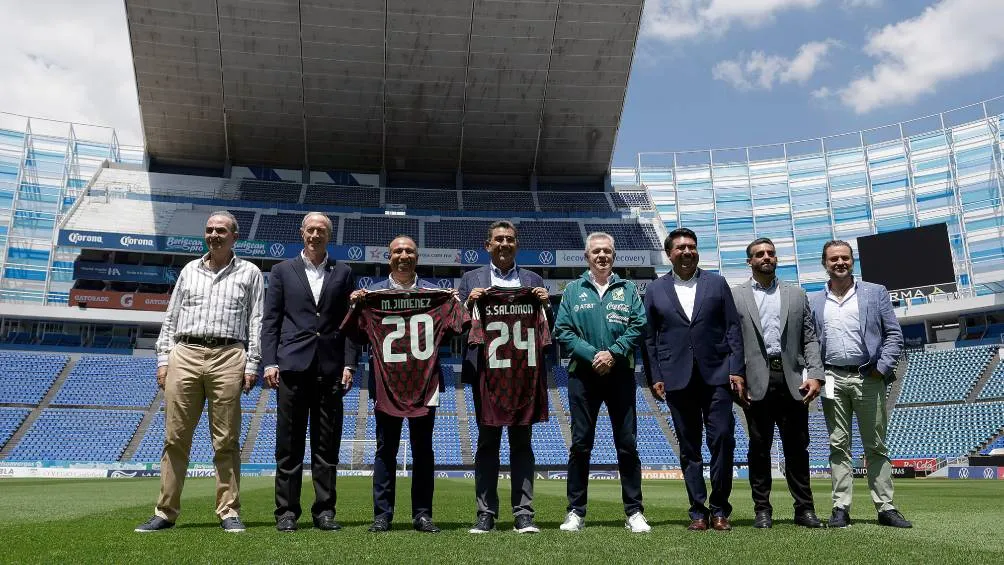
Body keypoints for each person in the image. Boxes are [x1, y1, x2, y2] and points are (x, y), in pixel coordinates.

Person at [135, 211, 264, 533]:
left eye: (221, 230)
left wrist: (252, 363)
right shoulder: (189, 270)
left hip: (229, 353)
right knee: (175, 438)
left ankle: (228, 510)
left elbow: (256, 320)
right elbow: (171, 316)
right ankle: (165, 511)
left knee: (226, 439)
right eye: (209, 230)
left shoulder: (250, 272)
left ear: (235, 236)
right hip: (185, 352)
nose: (213, 235)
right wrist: (163, 359)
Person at [346, 235, 462, 534]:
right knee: (386, 449)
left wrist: (452, 302)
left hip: (425, 381)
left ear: (417, 257)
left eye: (409, 251)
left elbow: (452, 331)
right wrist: (357, 306)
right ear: (389, 258)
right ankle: (382, 515)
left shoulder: (434, 292)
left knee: (424, 449)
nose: (403, 255)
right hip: (386, 382)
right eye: (397, 251)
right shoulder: (371, 292)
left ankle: (422, 515)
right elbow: (356, 336)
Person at [642, 227, 745, 531]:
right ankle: (698, 510)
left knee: (723, 440)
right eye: (680, 248)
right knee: (689, 447)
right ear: (669, 253)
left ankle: (720, 509)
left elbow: (732, 329)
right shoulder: (655, 289)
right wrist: (656, 376)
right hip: (677, 378)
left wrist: (736, 368)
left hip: (717, 376)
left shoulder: (717, 283)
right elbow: (649, 338)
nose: (687, 251)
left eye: (692, 246)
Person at [261, 212, 358, 532]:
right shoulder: (281, 271)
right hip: (292, 367)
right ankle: (286, 512)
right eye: (310, 230)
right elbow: (271, 321)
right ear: (302, 233)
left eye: (322, 231)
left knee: (326, 445)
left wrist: (349, 363)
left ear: (329, 236)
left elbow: (350, 325)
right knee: (288, 445)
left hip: (330, 370)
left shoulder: (343, 272)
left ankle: (324, 511)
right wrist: (270, 361)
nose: (315, 235)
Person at [457, 220, 551, 535]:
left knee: (522, 444)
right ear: (488, 245)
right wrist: (470, 302)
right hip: (487, 372)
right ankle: (486, 513)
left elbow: (546, 329)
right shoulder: (471, 279)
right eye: (498, 239)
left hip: (524, 374)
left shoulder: (533, 279)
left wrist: (545, 305)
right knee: (487, 444)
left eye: (510, 239)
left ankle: (524, 514)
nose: (504, 244)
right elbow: (456, 326)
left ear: (516, 245)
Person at [554, 232, 650, 533]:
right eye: (596, 251)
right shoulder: (573, 290)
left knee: (627, 444)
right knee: (581, 445)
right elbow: (562, 331)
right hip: (582, 375)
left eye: (607, 251)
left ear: (613, 257)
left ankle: (634, 512)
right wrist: (595, 355)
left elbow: (639, 325)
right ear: (587, 257)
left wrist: (614, 353)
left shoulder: (628, 288)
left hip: (620, 374)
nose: (602, 256)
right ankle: (575, 511)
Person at [810, 240, 909, 528]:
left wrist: (881, 368)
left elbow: (894, 334)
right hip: (831, 377)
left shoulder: (875, 292)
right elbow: (812, 343)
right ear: (824, 264)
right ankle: (840, 507)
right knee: (838, 445)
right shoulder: (815, 300)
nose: (839, 263)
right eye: (833, 259)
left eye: (845, 258)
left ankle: (886, 507)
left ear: (852, 261)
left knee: (875, 445)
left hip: (868, 376)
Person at [731, 237, 823, 529]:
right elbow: (730, 341)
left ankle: (804, 509)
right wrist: (734, 375)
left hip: (792, 379)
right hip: (755, 380)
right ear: (750, 262)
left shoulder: (796, 294)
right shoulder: (735, 296)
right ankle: (762, 510)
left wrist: (817, 375)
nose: (766, 257)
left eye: (771, 253)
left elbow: (809, 337)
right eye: (759, 254)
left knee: (797, 447)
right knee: (759, 448)